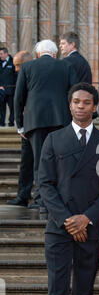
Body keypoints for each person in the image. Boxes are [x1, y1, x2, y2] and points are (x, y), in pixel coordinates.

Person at [29, 83, 99, 295]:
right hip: (58, 229)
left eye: (86, 102)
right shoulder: (53, 140)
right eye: (76, 101)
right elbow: (45, 184)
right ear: (70, 105)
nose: (80, 106)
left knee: (83, 291)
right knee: (57, 291)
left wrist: (86, 218)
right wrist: (68, 219)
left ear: (94, 106)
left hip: (89, 229)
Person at [14, 39, 77, 212]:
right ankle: (61, 197)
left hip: (35, 121)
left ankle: (41, 200)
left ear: (38, 53)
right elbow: (75, 93)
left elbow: (18, 98)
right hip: (61, 120)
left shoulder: (27, 67)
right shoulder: (66, 66)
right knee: (60, 161)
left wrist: (20, 125)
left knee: (40, 161)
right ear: (55, 53)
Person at [7, 51, 34, 207]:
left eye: (18, 65)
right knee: (26, 162)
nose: (16, 69)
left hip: (36, 125)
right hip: (27, 126)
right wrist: (20, 125)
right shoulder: (21, 75)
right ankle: (23, 195)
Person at [0, 46, 17, 126]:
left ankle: (11, 122)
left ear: (6, 53)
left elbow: (16, 76)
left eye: (1, 54)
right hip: (1, 90)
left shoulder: (13, 62)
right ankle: (2, 123)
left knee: (12, 108)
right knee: (1, 108)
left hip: (11, 90)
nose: (0, 56)